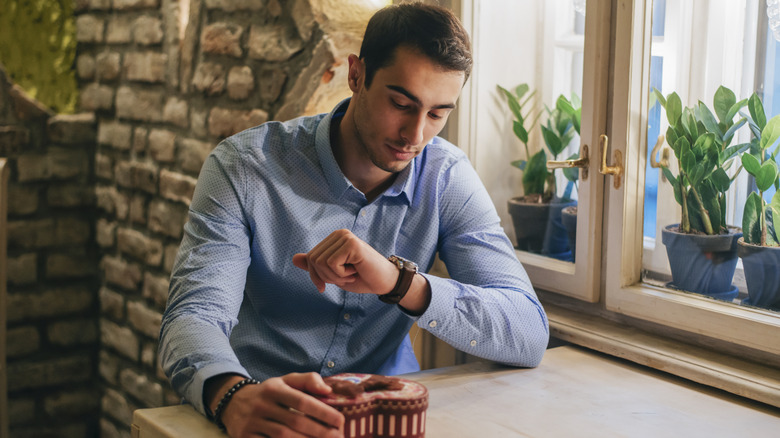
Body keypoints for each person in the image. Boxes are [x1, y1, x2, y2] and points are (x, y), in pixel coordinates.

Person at [159, 2, 549, 437]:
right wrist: (231, 395)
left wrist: (399, 282)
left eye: (438, 114)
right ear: (356, 75)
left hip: (385, 422)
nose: (415, 135)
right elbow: (194, 315)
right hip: (261, 415)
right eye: (402, 103)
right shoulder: (244, 168)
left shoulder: (447, 178)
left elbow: (528, 333)